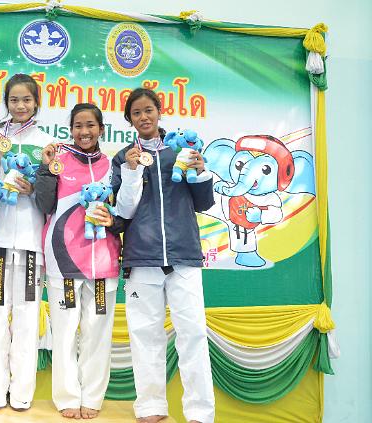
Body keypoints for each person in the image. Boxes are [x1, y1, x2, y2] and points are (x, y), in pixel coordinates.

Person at [111, 88, 215, 423]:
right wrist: (130, 171)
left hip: (184, 256)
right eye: (136, 113)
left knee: (193, 333)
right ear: (129, 119)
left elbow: (204, 203)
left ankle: (200, 412)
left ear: (159, 111)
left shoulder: (182, 149)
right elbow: (124, 211)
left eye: (148, 110)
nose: (143, 117)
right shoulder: (124, 157)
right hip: (142, 257)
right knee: (145, 336)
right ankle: (150, 406)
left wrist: (201, 171)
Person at [35, 103, 123, 420]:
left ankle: (93, 398)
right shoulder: (58, 161)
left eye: (90, 125)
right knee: (64, 333)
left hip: (103, 262)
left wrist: (114, 222)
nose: (84, 132)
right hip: (64, 262)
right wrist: (46, 169)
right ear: (70, 129)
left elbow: (124, 213)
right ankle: (67, 397)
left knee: (97, 335)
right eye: (78, 126)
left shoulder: (114, 166)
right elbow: (44, 205)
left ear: (101, 129)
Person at [0, 74, 55, 412]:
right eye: (14, 100)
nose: (20, 105)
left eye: (26, 99)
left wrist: (35, 189)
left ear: (36, 102)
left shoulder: (49, 143)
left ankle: (22, 394)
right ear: (6, 102)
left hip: (30, 244)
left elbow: (53, 195)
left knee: (26, 321)